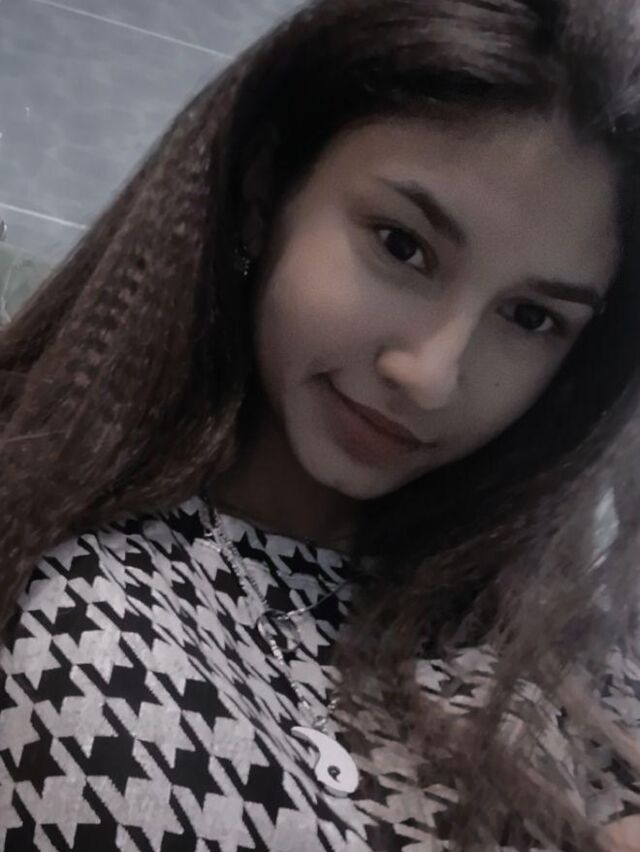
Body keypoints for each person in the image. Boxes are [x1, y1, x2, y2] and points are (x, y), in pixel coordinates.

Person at [0, 0, 639, 848]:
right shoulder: (49, 548)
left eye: (529, 318)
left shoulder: (553, 643)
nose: (432, 375)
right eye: (402, 246)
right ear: (266, 189)